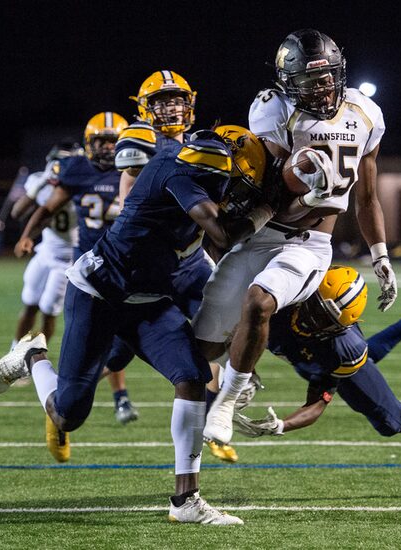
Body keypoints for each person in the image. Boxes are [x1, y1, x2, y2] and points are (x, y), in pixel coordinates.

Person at [0, 126, 277, 524]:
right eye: (234, 181)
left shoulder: (179, 157)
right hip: (98, 295)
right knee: (69, 413)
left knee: (192, 375)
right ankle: (32, 355)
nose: (238, 189)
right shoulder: (181, 177)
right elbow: (224, 234)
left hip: (148, 302)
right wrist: (265, 210)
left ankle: (186, 500)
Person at [194, 29, 397, 446]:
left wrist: (381, 256)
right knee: (200, 352)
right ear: (288, 84)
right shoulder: (275, 111)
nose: (321, 90)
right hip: (262, 232)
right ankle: (241, 370)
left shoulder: (365, 113)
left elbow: (368, 197)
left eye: (326, 79)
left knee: (260, 299)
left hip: (309, 244)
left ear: (339, 73)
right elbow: (270, 195)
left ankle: (229, 399)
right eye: (308, 82)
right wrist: (304, 183)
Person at [232, 265, 401, 498]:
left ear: (338, 327)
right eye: (316, 309)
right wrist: (246, 371)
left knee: (392, 420)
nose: (313, 320)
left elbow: (318, 401)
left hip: (327, 361)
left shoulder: (340, 348)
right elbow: (238, 330)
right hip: (317, 355)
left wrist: (280, 426)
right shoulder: (283, 296)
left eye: (325, 320)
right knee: (360, 360)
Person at [114, 70, 237, 461]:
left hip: (190, 261)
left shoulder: (201, 144)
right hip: (147, 265)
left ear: (191, 103)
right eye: (162, 101)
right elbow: (128, 204)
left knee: (225, 327)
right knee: (115, 355)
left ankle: (214, 415)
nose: (171, 108)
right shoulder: (141, 140)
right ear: (144, 108)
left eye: (177, 99)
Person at [15, 113, 139, 428]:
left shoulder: (139, 167)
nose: (108, 148)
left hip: (129, 269)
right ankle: (60, 391)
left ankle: (69, 396)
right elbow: (46, 208)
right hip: (89, 273)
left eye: (113, 141)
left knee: (124, 345)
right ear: (88, 143)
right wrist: (29, 234)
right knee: (93, 343)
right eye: (101, 141)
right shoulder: (78, 169)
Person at [9, 144, 83, 346]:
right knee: (29, 304)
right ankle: (14, 355)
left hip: (67, 260)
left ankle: (35, 358)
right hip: (45, 253)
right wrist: (39, 185)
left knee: (49, 311)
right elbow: (17, 212)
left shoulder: (83, 186)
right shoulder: (39, 181)